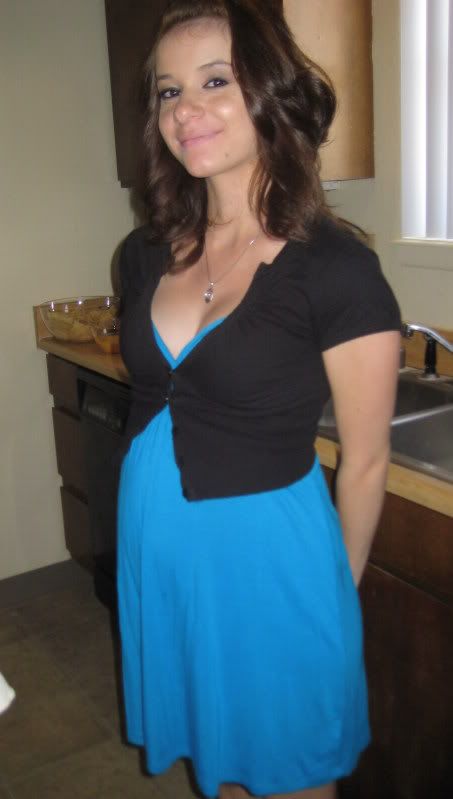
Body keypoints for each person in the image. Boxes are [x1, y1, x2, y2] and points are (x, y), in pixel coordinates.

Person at [116, 2, 401, 798]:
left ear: (270, 91)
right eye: (168, 91)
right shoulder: (142, 255)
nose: (186, 109)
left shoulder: (336, 270)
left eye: (216, 81)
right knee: (218, 764)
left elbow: (365, 459)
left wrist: (332, 588)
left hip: (270, 567)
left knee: (291, 769)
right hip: (161, 556)